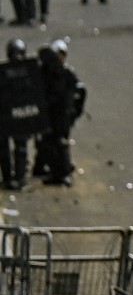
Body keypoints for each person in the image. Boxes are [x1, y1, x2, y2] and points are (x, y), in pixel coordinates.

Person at [37, 39, 85, 187]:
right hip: (53, 114)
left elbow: (79, 92)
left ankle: (63, 173)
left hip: (61, 115)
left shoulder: (64, 74)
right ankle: (54, 170)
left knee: (60, 142)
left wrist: (74, 112)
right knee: (50, 142)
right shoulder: (49, 72)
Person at [0, 37, 29, 189]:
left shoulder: (29, 74)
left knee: (20, 146)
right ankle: (10, 177)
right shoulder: (4, 73)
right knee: (5, 148)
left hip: (19, 115)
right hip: (6, 115)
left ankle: (19, 176)